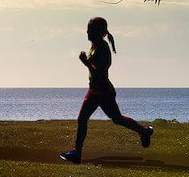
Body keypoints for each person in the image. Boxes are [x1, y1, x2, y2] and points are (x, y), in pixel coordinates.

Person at [60, 17, 153, 164]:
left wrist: (86, 63)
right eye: (88, 29)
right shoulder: (94, 46)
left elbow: (100, 73)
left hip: (104, 92)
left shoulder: (103, 48)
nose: (88, 32)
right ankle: (77, 153)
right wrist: (87, 61)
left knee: (117, 119)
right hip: (94, 91)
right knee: (82, 119)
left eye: (91, 29)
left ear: (100, 33)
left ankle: (144, 131)